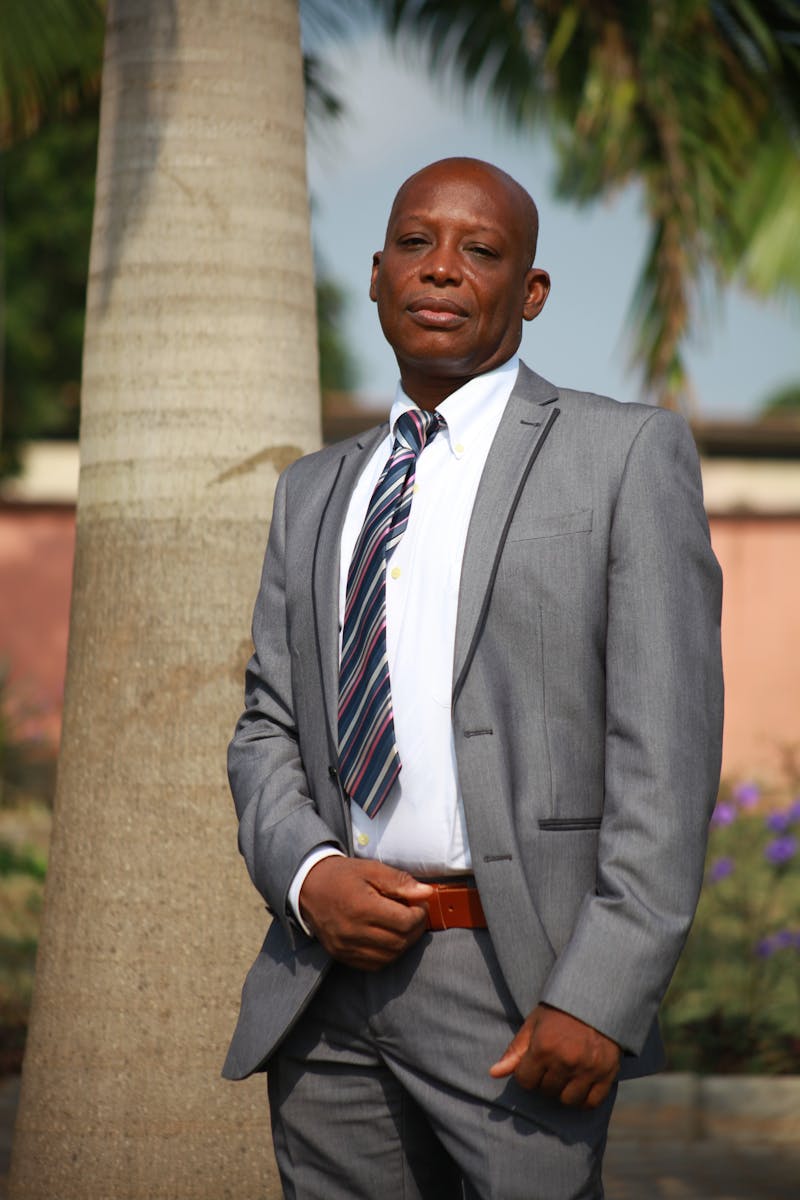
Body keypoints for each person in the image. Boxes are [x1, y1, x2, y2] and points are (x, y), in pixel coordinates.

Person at [224, 157, 724, 1199]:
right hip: (325, 983)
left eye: (479, 250)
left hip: (518, 986)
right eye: (414, 243)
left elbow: (664, 748)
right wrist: (309, 875)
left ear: (529, 291)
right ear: (375, 275)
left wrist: (600, 991)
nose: (441, 268)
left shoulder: (623, 456)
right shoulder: (313, 492)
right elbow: (267, 723)